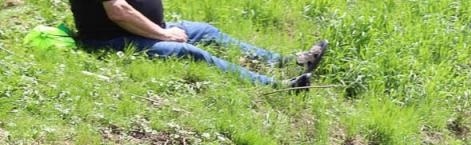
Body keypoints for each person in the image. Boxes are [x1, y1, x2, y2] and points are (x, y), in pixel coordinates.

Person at [69, 0, 327, 89]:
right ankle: (277, 86)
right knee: (188, 52)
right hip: (111, 40)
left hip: (146, 29)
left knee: (205, 31)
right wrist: (163, 34)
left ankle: (287, 63)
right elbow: (118, 11)